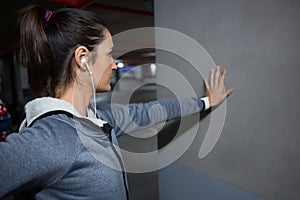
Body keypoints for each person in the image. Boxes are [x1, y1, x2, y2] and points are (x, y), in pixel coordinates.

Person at [0, 5, 233, 200]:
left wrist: (205, 102)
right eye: (109, 53)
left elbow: (151, 111)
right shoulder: (54, 138)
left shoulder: (97, 120)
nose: (114, 64)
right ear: (83, 58)